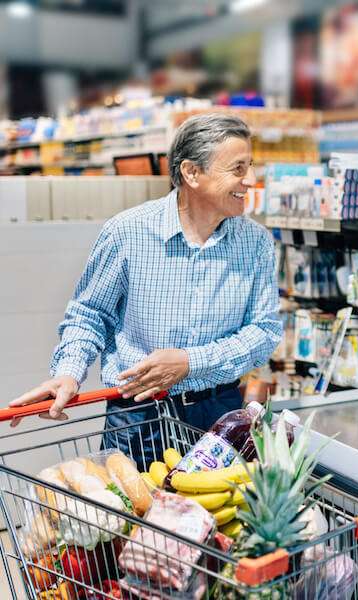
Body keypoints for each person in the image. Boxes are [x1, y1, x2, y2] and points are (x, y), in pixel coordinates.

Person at [9, 112, 283, 469]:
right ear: (192, 173)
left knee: (218, 522)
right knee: (132, 520)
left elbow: (264, 333)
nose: (250, 180)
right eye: (238, 168)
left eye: (251, 166)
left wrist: (189, 362)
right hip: (138, 416)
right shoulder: (127, 233)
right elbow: (90, 315)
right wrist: (69, 372)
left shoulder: (256, 243)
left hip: (220, 415)